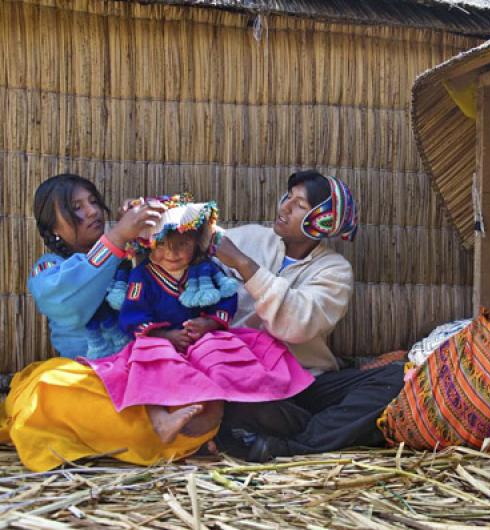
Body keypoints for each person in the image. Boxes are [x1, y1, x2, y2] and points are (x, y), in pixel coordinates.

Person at [0, 174, 218, 471]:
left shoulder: (132, 257)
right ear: (53, 228)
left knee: (201, 386)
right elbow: (67, 305)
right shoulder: (49, 268)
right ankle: (154, 436)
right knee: (46, 388)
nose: (91, 211)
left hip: (146, 374)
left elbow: (165, 289)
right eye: (75, 207)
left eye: (93, 202)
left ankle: (158, 432)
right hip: (93, 382)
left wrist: (144, 231)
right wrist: (116, 237)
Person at [84, 197, 314, 444]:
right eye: (162, 244)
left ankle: (214, 413)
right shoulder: (141, 276)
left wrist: (209, 324)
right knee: (146, 358)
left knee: (218, 351)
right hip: (159, 339)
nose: (172, 252)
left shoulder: (206, 269)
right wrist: (165, 336)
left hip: (200, 337)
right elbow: (132, 315)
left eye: (182, 243)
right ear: (148, 244)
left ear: (196, 243)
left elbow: (226, 301)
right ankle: (161, 420)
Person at [212, 170, 405, 461]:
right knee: (241, 402)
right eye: (287, 198)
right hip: (247, 377)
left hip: (306, 383)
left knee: (397, 377)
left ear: (323, 221)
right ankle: (317, 435)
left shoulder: (334, 271)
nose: (285, 207)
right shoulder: (249, 238)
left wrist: (244, 265)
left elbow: (297, 325)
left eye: (300, 205)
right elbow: (188, 247)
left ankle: (295, 444)